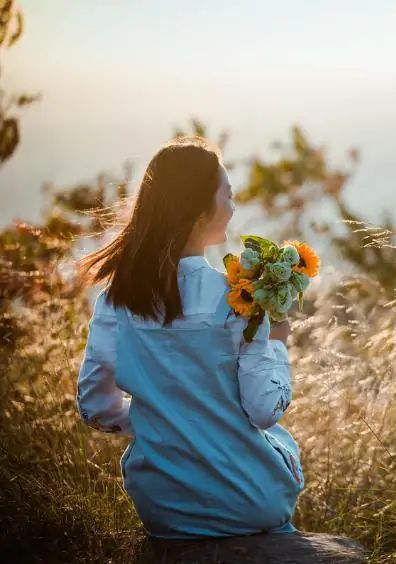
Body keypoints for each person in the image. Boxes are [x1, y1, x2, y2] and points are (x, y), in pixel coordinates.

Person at [74, 136, 305, 539]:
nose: (233, 207)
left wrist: (164, 416)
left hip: (164, 510)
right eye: (228, 195)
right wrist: (276, 343)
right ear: (200, 214)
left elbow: (94, 406)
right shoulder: (238, 300)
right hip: (250, 503)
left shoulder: (116, 301)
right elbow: (264, 409)